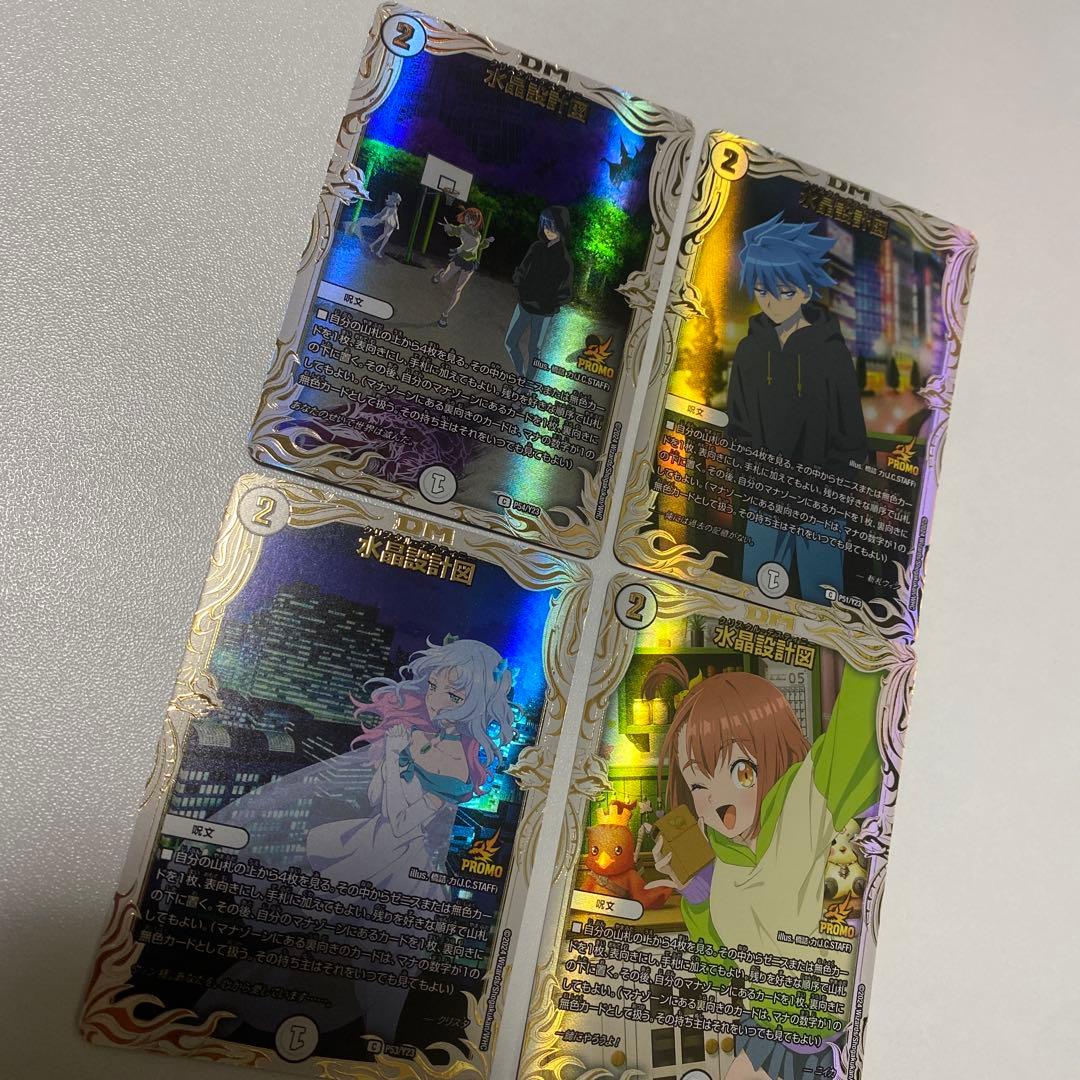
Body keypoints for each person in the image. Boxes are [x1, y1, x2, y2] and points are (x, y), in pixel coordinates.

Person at [197, 637, 519, 1043]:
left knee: (378, 992)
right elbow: (380, 799)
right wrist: (393, 758)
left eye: (453, 695)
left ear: (475, 704)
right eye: (434, 687)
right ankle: (218, 1020)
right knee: (305, 956)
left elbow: (402, 822)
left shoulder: (456, 762)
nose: (435, 701)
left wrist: (394, 757)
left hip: (400, 874)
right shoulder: (421, 737)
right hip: (368, 852)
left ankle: (361, 1050)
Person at [642, 658, 881, 1080]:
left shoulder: (812, 794)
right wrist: (697, 893)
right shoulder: (720, 860)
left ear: (774, 749)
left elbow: (866, 701)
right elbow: (719, 972)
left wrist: (865, 628)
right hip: (765, 1035)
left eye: (738, 770)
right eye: (698, 784)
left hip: (835, 1046)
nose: (716, 800)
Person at [726, 213, 868, 601]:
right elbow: (738, 429)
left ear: (806, 291)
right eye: (761, 290)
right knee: (750, 603)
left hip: (822, 511)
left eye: (784, 291)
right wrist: (755, 485)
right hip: (764, 507)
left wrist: (826, 495)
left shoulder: (833, 355)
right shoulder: (749, 351)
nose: (771, 301)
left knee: (823, 609)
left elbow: (852, 438)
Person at [503, 206, 573, 377]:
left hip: (543, 312)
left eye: (553, 226)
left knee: (534, 349)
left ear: (562, 227)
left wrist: (549, 304)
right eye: (545, 225)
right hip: (524, 305)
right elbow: (522, 270)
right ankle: (521, 376)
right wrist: (520, 286)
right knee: (510, 342)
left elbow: (566, 291)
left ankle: (526, 387)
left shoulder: (565, 260)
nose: (548, 230)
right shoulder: (536, 247)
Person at [432, 206, 493, 327]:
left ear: (477, 221)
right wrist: (448, 228)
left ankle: (445, 315)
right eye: (467, 217)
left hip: (470, 263)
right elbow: (453, 231)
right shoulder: (462, 228)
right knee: (443, 280)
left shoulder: (478, 234)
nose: (469, 220)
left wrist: (486, 242)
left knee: (458, 289)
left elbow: (477, 247)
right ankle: (440, 273)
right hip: (459, 259)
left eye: (472, 218)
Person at [349, 190, 402, 257]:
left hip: (392, 223)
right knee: (384, 235)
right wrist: (380, 218)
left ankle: (377, 250)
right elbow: (385, 214)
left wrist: (397, 225)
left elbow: (394, 216)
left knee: (386, 237)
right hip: (389, 222)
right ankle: (373, 246)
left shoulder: (393, 207)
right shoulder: (390, 207)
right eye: (397, 200)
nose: (397, 202)